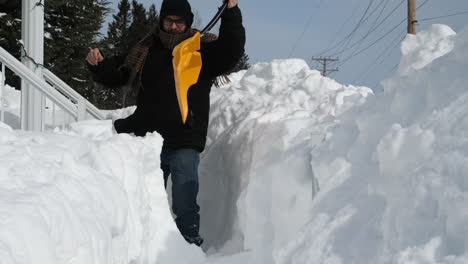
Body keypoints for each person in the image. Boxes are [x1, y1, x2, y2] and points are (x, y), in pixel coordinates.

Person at [86, 0, 245, 246]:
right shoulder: (146, 49)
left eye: (179, 22)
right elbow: (118, 74)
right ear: (161, 21)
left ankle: (189, 241)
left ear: (187, 23)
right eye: (168, 21)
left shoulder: (201, 51)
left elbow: (231, 50)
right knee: (146, 194)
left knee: (184, 196)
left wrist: (231, 12)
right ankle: (144, 243)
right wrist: (98, 65)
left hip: (184, 138)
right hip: (147, 137)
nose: (173, 26)